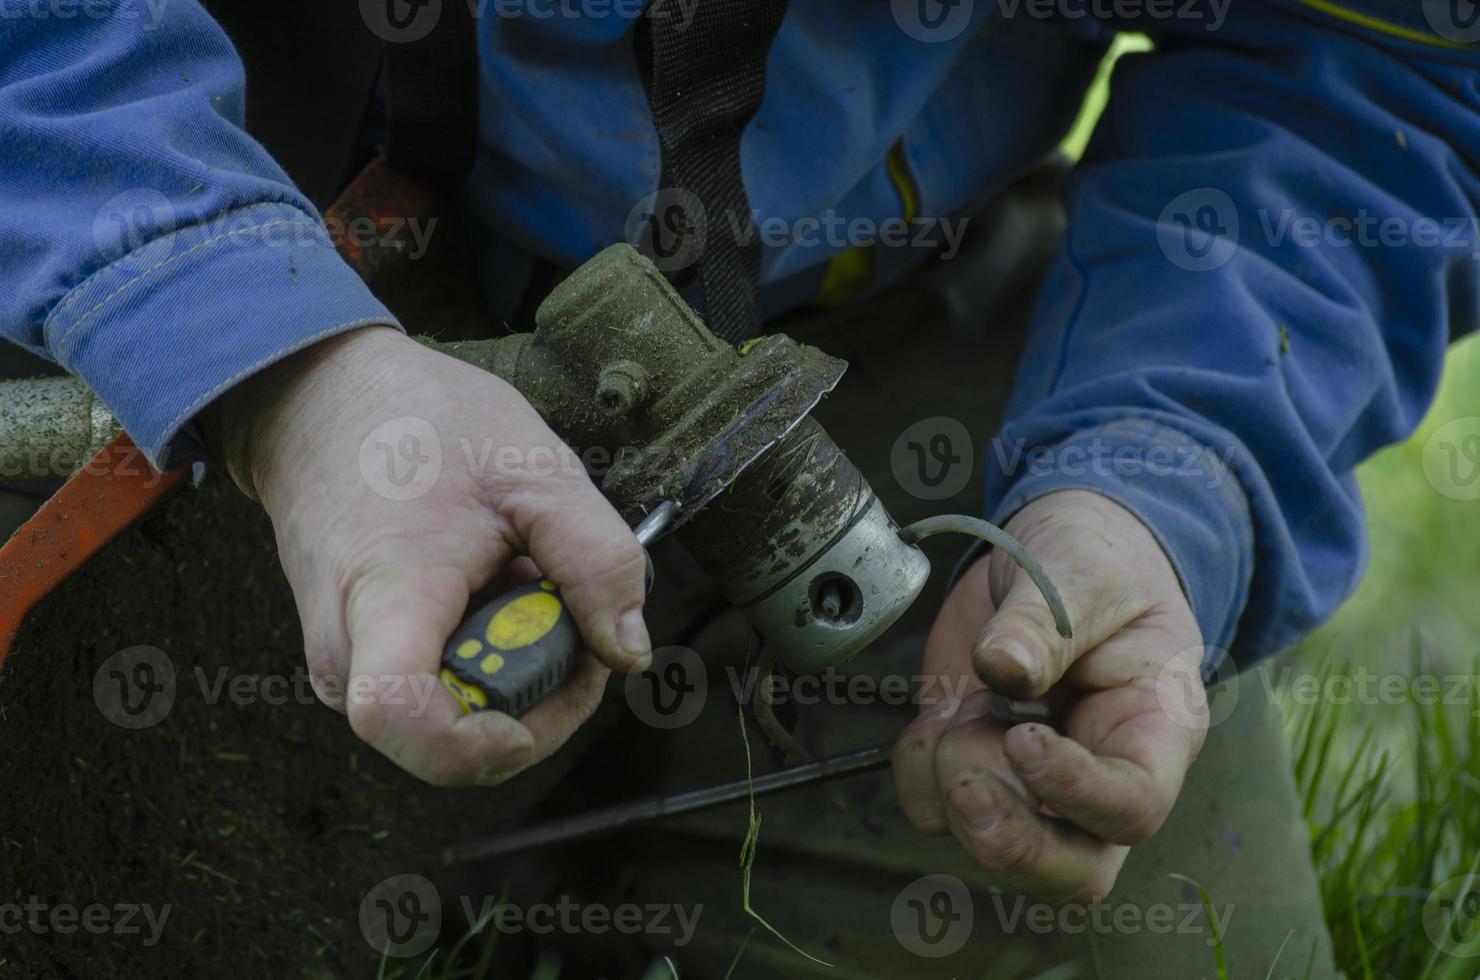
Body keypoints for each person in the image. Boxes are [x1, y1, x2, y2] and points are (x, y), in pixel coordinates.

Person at [1, 1, 1476, 976]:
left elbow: (1391, 57)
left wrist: (1155, 473)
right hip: (139, 274)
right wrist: (263, 355)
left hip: (873, 338)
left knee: (1173, 928)